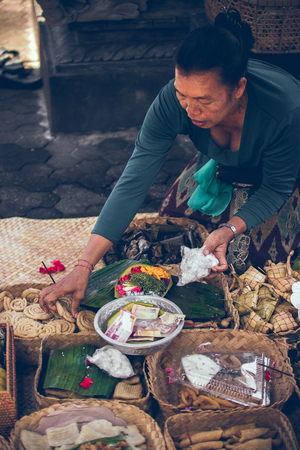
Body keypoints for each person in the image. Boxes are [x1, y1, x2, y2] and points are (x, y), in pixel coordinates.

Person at [39, 7, 300, 318]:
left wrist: (230, 229)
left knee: (250, 268)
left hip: (278, 176)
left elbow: (276, 186)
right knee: (172, 233)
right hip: (220, 166)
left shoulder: (284, 111)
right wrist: (84, 266)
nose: (191, 110)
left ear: (239, 89)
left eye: (204, 100)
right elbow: (135, 178)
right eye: (183, 95)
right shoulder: (173, 101)